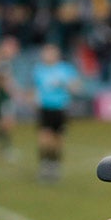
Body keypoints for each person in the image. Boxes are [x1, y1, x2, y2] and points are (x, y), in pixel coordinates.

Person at [29, 43, 81, 182]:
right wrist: (33, 101)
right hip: (45, 108)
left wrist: (64, 83)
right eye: (46, 53)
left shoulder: (65, 69)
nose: (48, 56)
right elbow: (34, 89)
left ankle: (55, 165)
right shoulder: (38, 70)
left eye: (51, 53)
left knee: (58, 140)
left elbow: (76, 87)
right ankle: (44, 165)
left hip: (60, 108)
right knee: (44, 138)